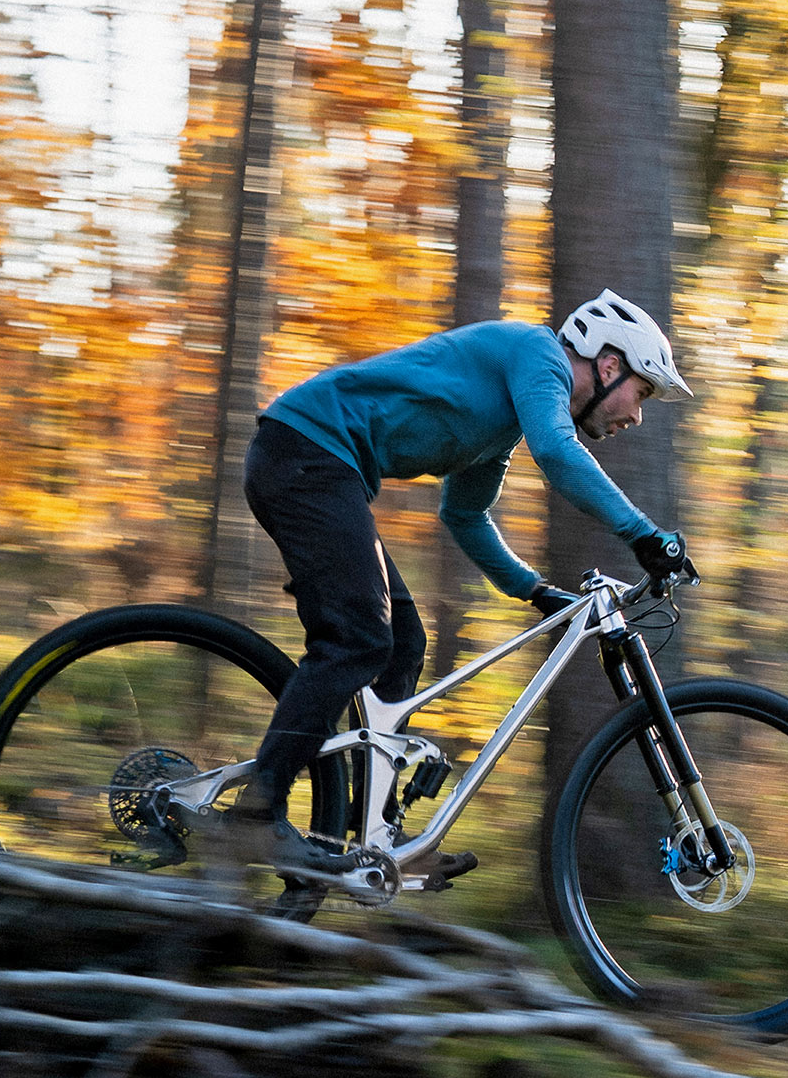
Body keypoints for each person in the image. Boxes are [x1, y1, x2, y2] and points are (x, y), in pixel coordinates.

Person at [194, 289, 699, 883]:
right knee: (358, 639)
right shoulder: (538, 353)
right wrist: (643, 534)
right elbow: (557, 451)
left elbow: (465, 517)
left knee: (402, 644)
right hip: (305, 454)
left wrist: (534, 591)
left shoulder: (501, 423)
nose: (636, 416)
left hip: (319, 467)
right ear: (609, 365)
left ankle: (373, 838)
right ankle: (259, 811)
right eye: (640, 394)